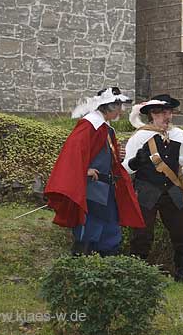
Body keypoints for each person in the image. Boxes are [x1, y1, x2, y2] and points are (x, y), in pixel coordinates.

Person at [45, 87, 144, 256]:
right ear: (109, 106)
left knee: (110, 231)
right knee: (90, 230)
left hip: (107, 189)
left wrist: (116, 155)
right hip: (93, 188)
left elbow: (100, 154)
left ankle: (106, 271)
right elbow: (73, 153)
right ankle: (81, 269)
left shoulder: (106, 128)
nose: (121, 110)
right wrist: (84, 170)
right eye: (118, 105)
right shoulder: (89, 124)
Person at [124, 95, 183, 283]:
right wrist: (135, 161)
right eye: (163, 113)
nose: (167, 117)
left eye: (169, 112)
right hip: (147, 189)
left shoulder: (178, 135)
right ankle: (137, 273)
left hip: (172, 190)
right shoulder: (140, 136)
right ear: (152, 114)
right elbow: (125, 167)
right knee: (142, 234)